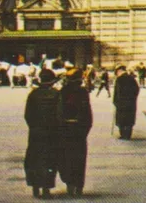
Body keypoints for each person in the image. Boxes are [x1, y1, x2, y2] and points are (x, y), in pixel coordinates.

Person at [23, 68, 60, 199]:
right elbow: (59, 115)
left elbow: (27, 115)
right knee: (49, 160)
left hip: (36, 132)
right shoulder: (57, 94)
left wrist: (34, 127)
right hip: (52, 133)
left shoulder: (33, 94)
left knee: (34, 159)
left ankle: (35, 187)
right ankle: (46, 188)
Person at [58, 67, 93, 197]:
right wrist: (85, 130)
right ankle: (79, 186)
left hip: (66, 129)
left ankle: (70, 185)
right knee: (79, 159)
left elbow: (59, 112)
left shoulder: (62, 91)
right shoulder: (83, 92)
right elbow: (87, 113)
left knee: (66, 158)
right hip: (79, 130)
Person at [113, 65, 140, 140]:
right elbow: (136, 90)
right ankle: (128, 135)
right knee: (129, 120)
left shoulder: (119, 80)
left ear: (120, 71)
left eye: (117, 72)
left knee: (121, 120)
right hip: (130, 103)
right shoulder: (132, 79)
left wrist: (115, 102)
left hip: (121, 103)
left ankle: (122, 134)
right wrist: (133, 99)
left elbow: (116, 93)